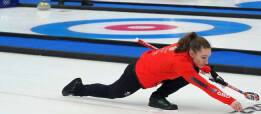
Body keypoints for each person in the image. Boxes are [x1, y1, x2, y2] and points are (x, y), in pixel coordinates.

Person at [62, 32, 243, 112]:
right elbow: (207, 87)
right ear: (192, 52)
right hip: (138, 75)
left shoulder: (185, 46)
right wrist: (230, 101)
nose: (207, 61)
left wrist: (204, 67)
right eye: (204, 57)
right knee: (113, 93)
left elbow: (197, 68)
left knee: (191, 74)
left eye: (208, 57)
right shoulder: (183, 64)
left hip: (147, 65)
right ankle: (78, 88)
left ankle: (157, 97)